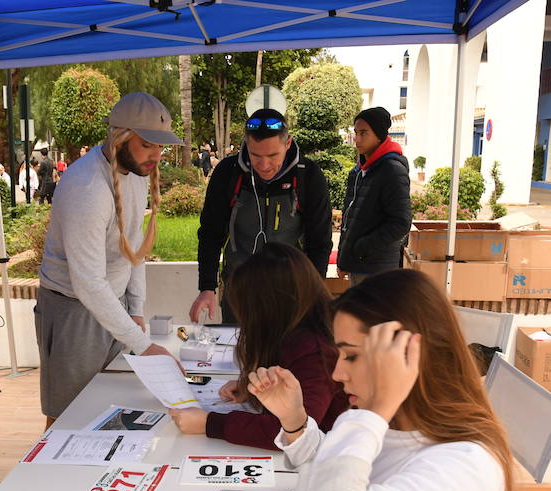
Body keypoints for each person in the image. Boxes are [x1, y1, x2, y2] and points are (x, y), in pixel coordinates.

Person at [248, 268, 523, 491]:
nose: (337, 373)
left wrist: (373, 411)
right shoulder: (405, 432)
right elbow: (341, 482)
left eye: (351, 355)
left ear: (407, 356)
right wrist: (294, 420)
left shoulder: (462, 469)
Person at [35, 92, 184, 430]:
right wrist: (144, 346)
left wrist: (135, 307)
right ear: (120, 138)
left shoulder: (135, 172)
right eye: (148, 145)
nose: (157, 156)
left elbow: (134, 247)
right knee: (67, 417)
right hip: (74, 310)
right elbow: (87, 283)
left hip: (111, 306)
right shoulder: (87, 186)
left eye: (161, 147)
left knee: (110, 409)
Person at [169, 243, 347, 450]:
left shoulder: (315, 352)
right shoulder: (302, 332)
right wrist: (256, 389)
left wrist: (209, 423)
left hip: (321, 460)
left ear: (270, 309)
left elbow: (294, 433)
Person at [191, 108, 333, 324]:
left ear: (287, 144)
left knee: (288, 355)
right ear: (247, 145)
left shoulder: (308, 176)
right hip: (239, 288)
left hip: (291, 290)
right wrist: (207, 287)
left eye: (273, 155)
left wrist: (315, 292)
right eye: (255, 155)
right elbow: (211, 235)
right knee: (238, 354)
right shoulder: (228, 173)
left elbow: (320, 241)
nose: (264, 166)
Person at [336, 107, 411, 287]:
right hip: (357, 265)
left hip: (377, 270)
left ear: (378, 134)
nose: (357, 139)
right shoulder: (358, 171)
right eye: (356, 133)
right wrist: (344, 256)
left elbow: (401, 223)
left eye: (364, 133)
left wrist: (361, 248)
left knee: (374, 316)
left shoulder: (392, 170)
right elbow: (350, 219)